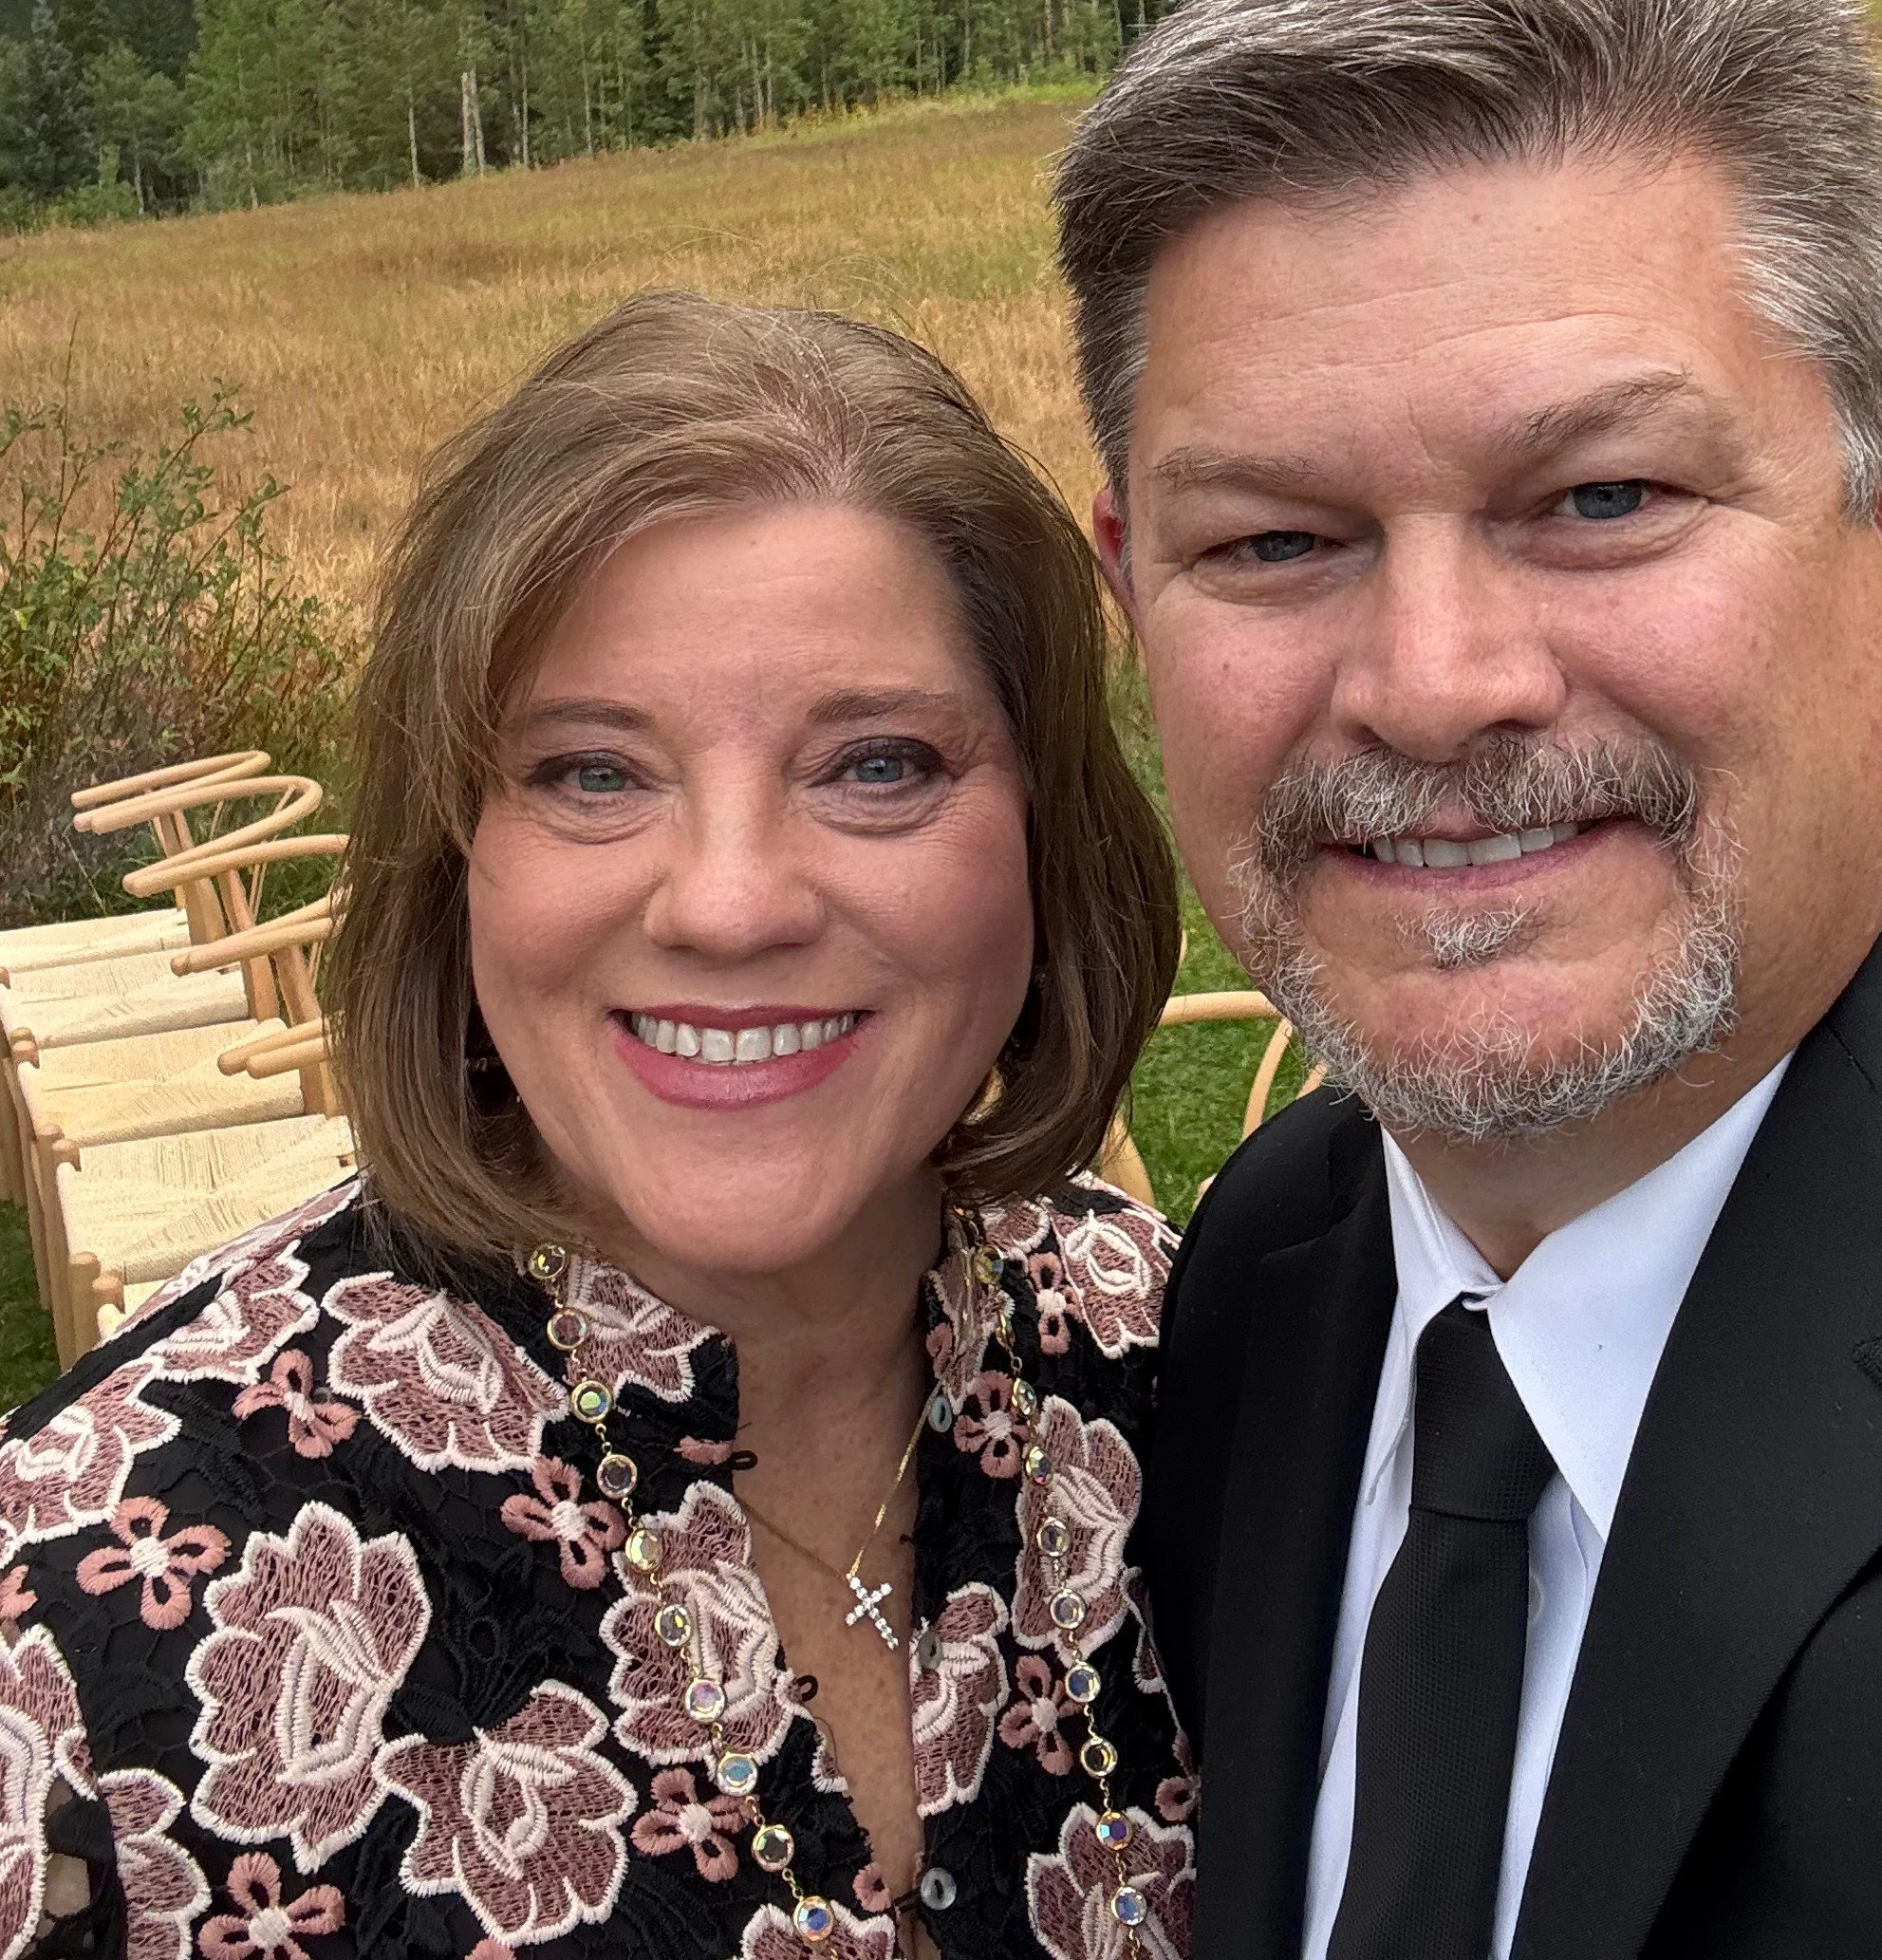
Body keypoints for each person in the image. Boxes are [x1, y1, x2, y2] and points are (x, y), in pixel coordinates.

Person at [1055, 0, 1882, 1960]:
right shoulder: (1259, 1282)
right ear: (1130, 586)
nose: (1433, 677)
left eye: (1601, 498)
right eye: (1278, 537)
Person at [0, 295, 1195, 1960]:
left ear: (1045, 834)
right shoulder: (69, 1619)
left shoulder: (1197, 1375)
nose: (726, 903)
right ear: (454, 849)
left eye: (873, 763)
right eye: (590, 773)